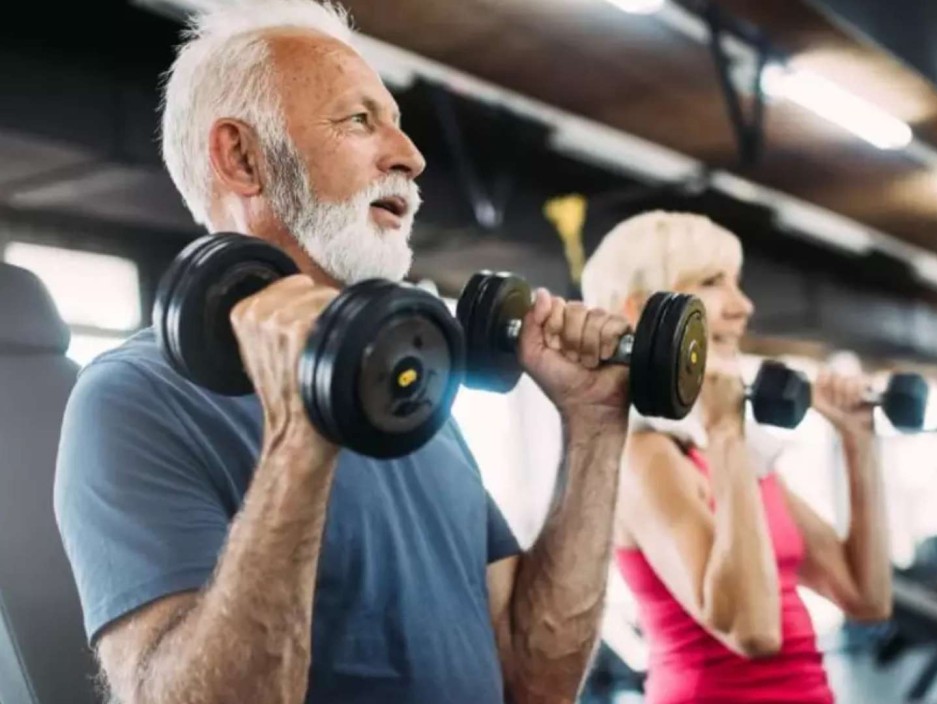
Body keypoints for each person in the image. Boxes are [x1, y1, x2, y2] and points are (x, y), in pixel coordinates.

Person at [53, 2, 636, 703]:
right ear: (243, 156)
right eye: (360, 120)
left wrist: (595, 424)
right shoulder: (135, 398)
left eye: (395, 121)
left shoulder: (412, 392)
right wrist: (301, 438)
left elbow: (534, 681)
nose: (411, 157)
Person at [581, 211, 893, 704]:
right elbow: (753, 630)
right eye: (712, 282)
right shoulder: (645, 457)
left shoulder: (739, 460)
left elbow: (865, 597)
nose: (743, 306)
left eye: (737, 283)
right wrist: (725, 428)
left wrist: (860, 440)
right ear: (643, 312)